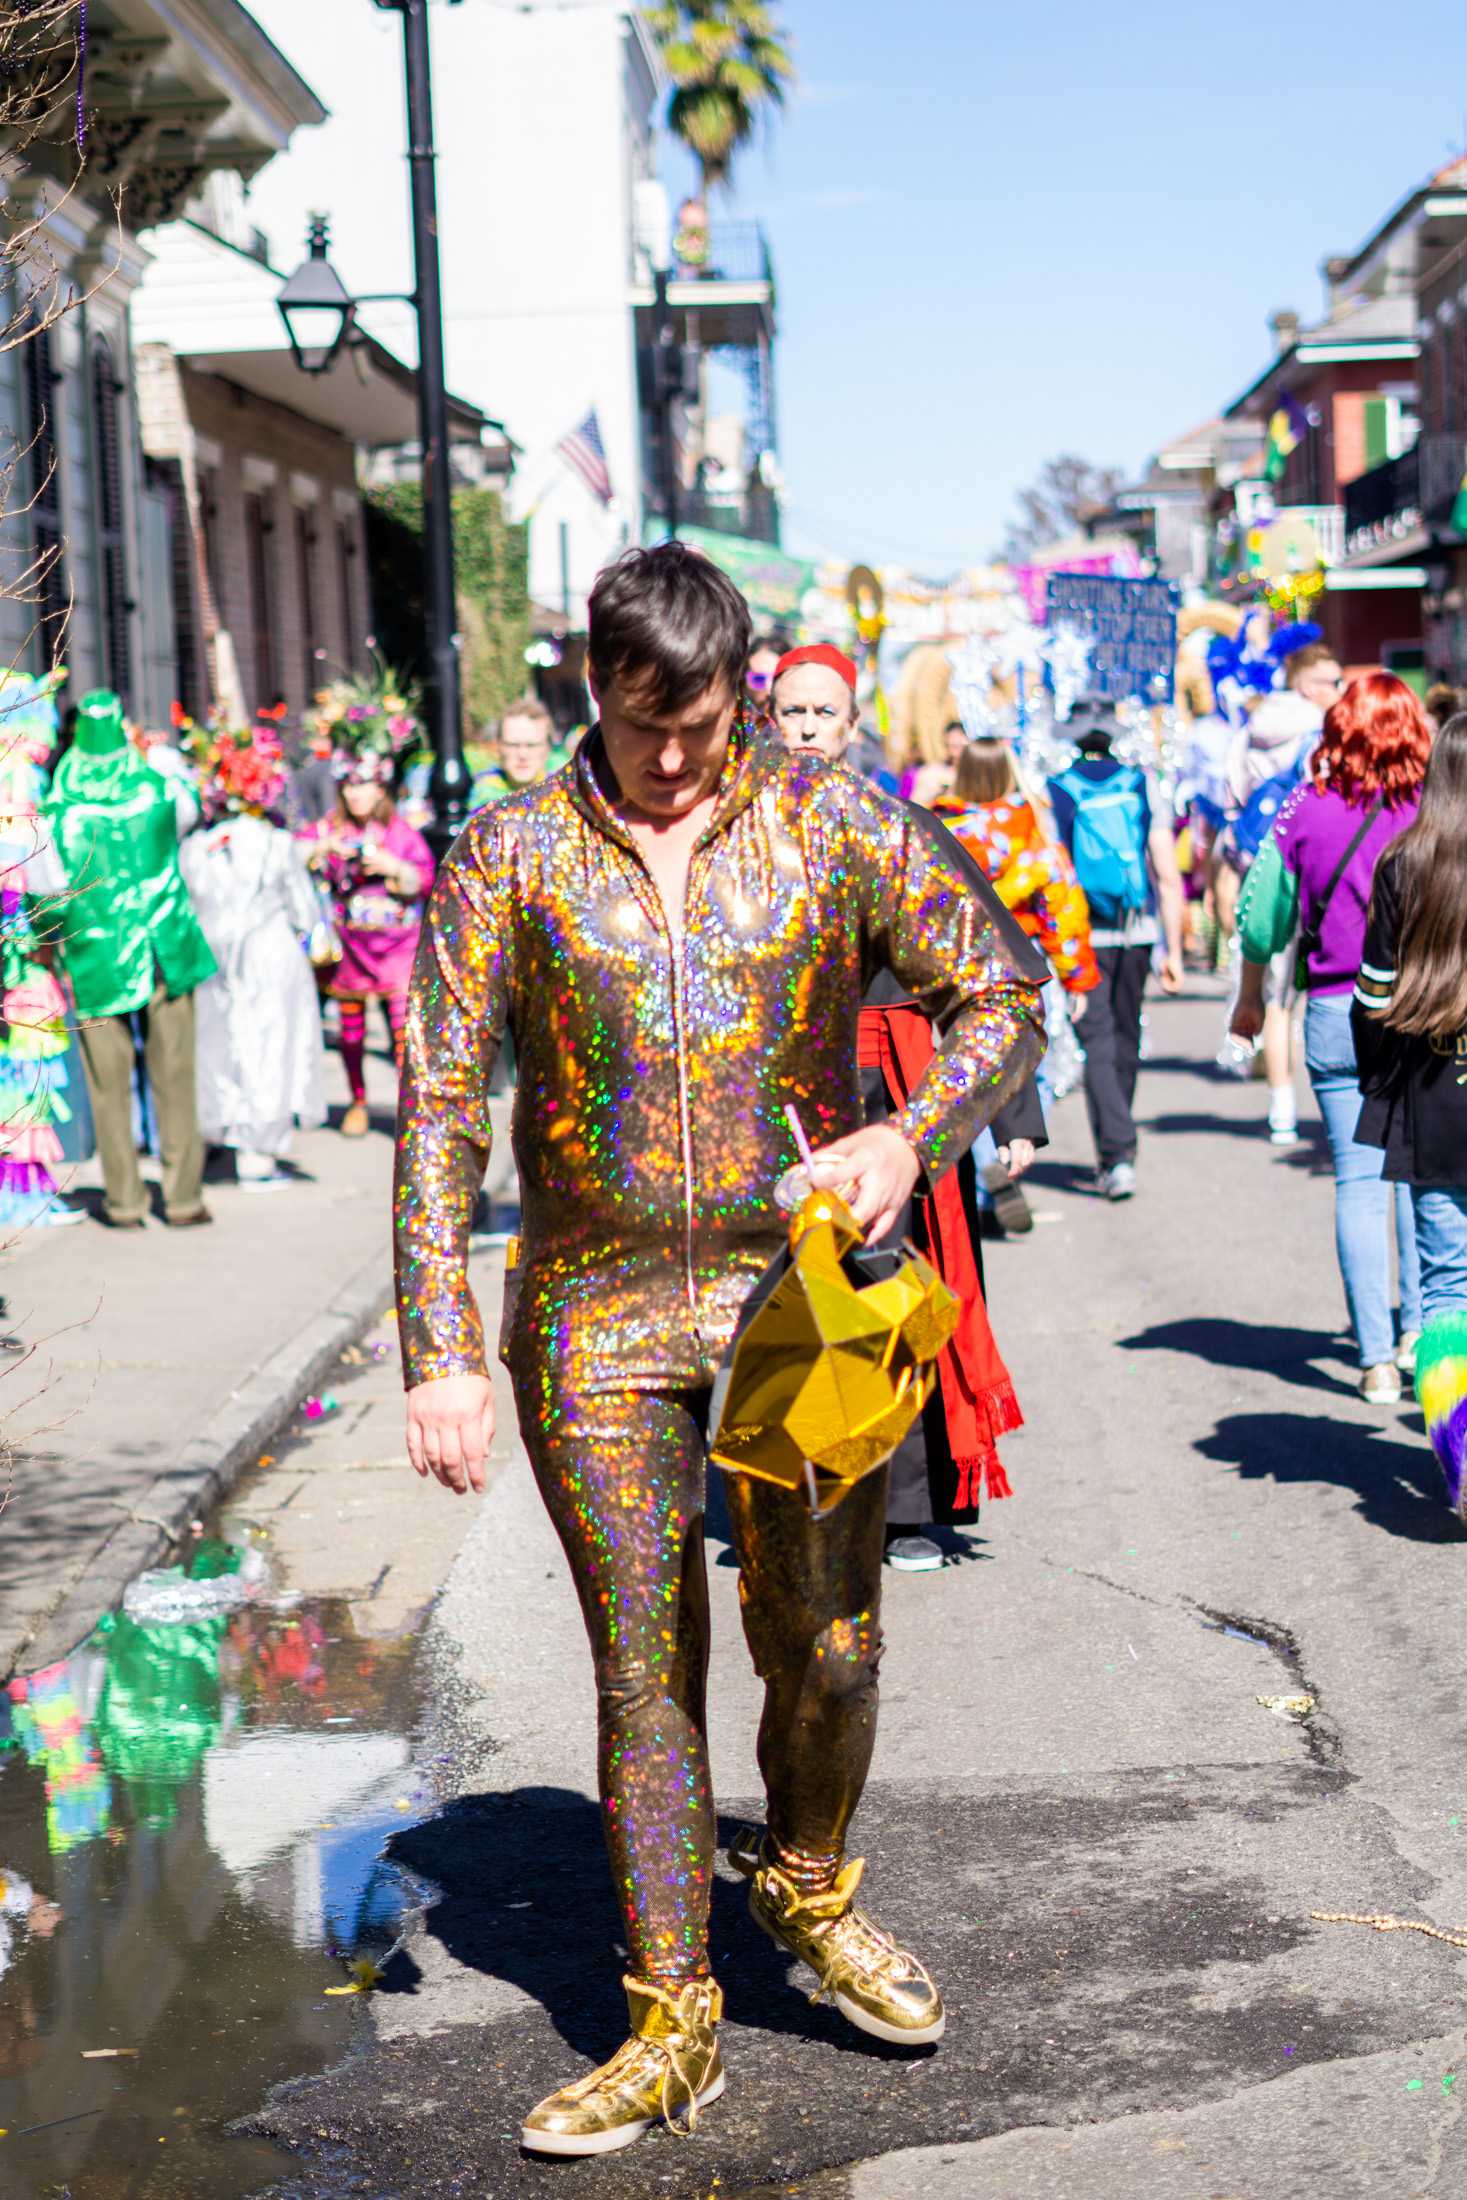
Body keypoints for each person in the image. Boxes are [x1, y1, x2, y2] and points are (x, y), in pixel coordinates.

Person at [395, 543, 1044, 2153]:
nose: (669, 762)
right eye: (635, 729)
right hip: (591, 1320)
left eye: (693, 725)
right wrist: (440, 1346)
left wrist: (906, 1139)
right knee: (642, 1663)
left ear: (738, 688)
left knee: (825, 1647)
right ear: (590, 695)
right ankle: (670, 2018)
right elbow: (433, 1111)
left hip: (794, 1306)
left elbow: (1005, 991)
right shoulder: (511, 858)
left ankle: (807, 1886)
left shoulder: (834, 823)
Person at [770, 648, 1045, 1571]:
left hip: (900, 1100)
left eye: (823, 712)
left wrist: (1013, 1119)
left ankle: (900, 1512)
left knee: (896, 1293)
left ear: (854, 728)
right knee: (801, 1297)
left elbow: (987, 984)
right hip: (785, 1100)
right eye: (790, 710)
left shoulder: (907, 829)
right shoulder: (737, 841)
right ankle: (804, 1495)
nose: (806, 726)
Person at [1232, 673, 1429, 1401]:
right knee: (1418, 1171)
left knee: (1356, 1180)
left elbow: (1260, 918)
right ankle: (1419, 1331)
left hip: (1332, 1005)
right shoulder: (1429, 811)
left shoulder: (1303, 810)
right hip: (1415, 1008)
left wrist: (1250, 997)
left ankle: (1373, 1359)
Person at [44, 689, 216, 1229]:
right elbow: (193, 810)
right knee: (175, 1075)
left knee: (108, 1085)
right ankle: (184, 1197)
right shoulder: (160, 790)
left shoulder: (57, 809)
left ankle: (124, 1201)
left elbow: (42, 889)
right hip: (164, 948)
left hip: (96, 961)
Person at [1353, 713, 1467, 1512]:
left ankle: (1461, 1460)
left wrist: (1376, 1082)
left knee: (1446, 1290)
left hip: (1434, 1094)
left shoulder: (1404, 860)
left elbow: (1370, 996)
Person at [178, 719, 327, 1188]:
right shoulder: (275, 844)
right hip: (268, 954)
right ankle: (259, 1153)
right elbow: (305, 908)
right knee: (271, 1044)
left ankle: (227, 1133)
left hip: (211, 956)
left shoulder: (196, 848)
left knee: (222, 1044)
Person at [1047, 702, 1184, 1200]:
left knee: (1097, 1040)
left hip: (1084, 935)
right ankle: (1119, 1144)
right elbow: (1167, 872)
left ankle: (1116, 1152)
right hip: (1138, 929)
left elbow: (1054, 871)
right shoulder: (1139, 784)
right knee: (1128, 1035)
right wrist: (1175, 948)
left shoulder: (1058, 789)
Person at [301, 716, 433, 1140]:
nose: (356, 794)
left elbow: (427, 877)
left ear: (381, 788)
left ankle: (410, 1107)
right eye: (349, 786)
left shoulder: (401, 832)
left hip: (398, 949)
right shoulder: (330, 829)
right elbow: (292, 851)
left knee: (403, 1033)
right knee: (351, 1033)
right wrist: (323, 850)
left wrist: (393, 867)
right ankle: (357, 1100)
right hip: (351, 948)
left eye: (365, 785)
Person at [469, 695, 563, 810]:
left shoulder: (562, 793)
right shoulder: (481, 793)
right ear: (498, 747)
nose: (522, 754)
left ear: (547, 748)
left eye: (531, 745)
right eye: (512, 745)